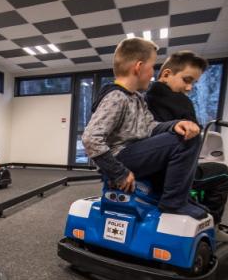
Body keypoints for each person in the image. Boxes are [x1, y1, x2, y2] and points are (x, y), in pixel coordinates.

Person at [82, 38, 207, 219]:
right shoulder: (116, 97)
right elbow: (91, 138)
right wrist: (119, 173)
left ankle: (176, 198)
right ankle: (173, 204)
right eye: (151, 67)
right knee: (186, 141)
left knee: (184, 133)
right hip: (121, 158)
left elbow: (150, 127)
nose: (152, 73)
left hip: (133, 154)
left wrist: (175, 125)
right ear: (139, 67)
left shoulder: (137, 99)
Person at [145, 51, 228, 229]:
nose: (189, 88)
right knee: (222, 172)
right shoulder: (180, 101)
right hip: (169, 173)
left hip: (149, 166)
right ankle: (212, 226)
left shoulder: (145, 97)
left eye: (193, 83)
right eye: (187, 80)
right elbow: (191, 134)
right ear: (167, 74)